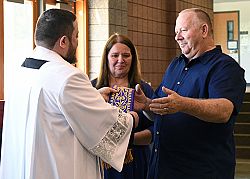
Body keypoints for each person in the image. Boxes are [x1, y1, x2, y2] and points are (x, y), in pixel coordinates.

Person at [0, 9, 140, 179]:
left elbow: (56, 106)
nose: (77, 42)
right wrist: (132, 117)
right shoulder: (68, 75)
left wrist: (94, 97)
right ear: (64, 41)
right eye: (77, 36)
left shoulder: (20, 72)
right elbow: (103, 126)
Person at [134, 8, 246, 179]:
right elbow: (161, 110)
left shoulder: (225, 67)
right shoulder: (175, 64)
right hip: (162, 169)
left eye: (183, 30)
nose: (177, 37)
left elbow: (224, 110)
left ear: (204, 30)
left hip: (200, 171)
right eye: (176, 32)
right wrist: (147, 105)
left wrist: (182, 104)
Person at [91, 33, 154, 179]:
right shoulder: (93, 88)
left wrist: (129, 139)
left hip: (136, 162)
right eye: (115, 55)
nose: (120, 60)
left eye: (126, 55)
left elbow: (156, 128)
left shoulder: (143, 90)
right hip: (102, 164)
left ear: (133, 58)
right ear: (106, 58)